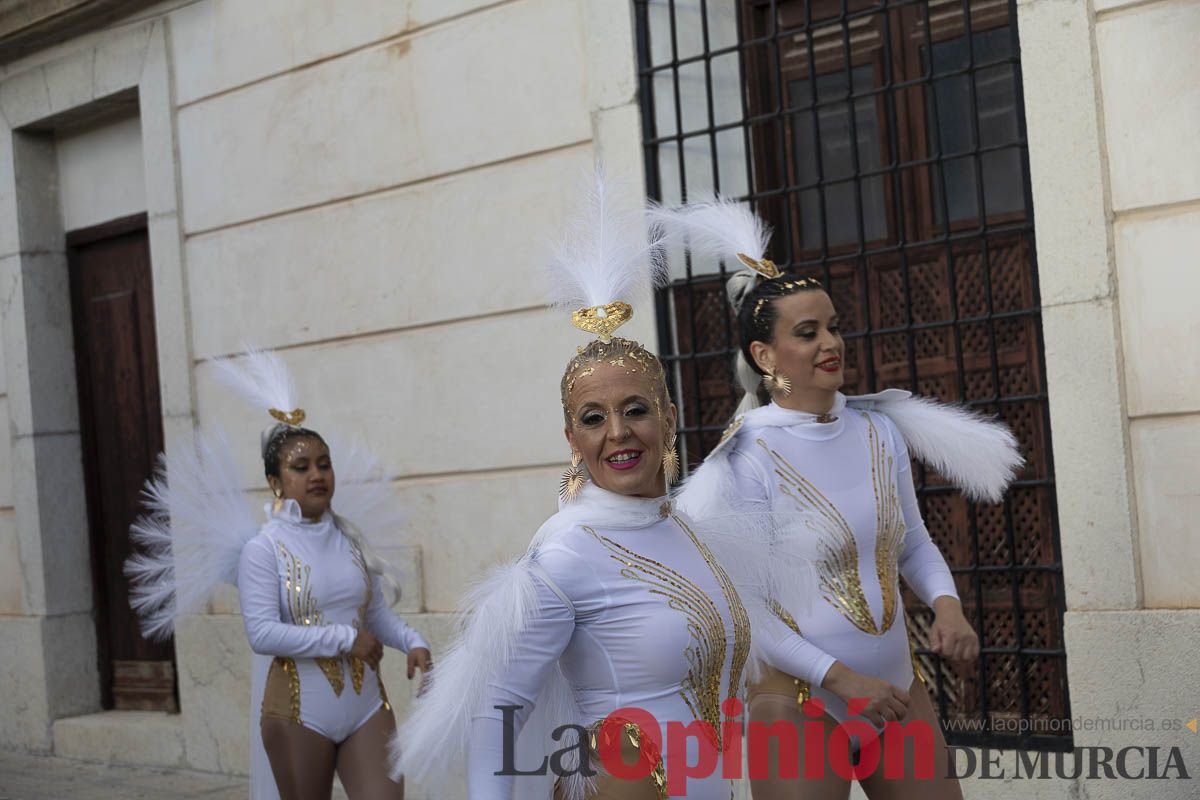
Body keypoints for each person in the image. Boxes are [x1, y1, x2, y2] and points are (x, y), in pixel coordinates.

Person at [391, 174, 796, 800]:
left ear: (668, 415)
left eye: (635, 409)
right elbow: (497, 709)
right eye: (592, 418)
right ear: (571, 438)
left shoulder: (690, 528)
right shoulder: (565, 550)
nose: (618, 433)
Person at [661, 199, 1023, 800]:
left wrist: (948, 605)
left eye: (833, 326)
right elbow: (746, 609)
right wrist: (842, 680)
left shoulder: (878, 429)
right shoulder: (744, 458)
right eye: (807, 333)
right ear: (764, 356)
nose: (831, 342)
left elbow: (912, 542)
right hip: (799, 703)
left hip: (896, 688)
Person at [125, 348, 431, 800]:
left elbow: (375, 614)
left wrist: (413, 641)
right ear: (275, 481)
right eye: (300, 467)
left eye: (323, 464)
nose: (316, 475)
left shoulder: (349, 540)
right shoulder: (262, 550)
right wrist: (346, 640)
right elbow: (263, 634)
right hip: (298, 712)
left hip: (367, 705)